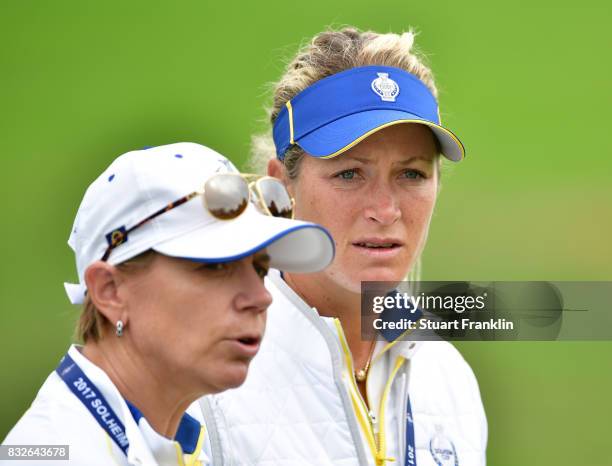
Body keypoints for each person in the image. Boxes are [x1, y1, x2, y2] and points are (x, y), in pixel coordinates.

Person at [199, 28, 488, 465]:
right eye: (350, 174)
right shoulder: (203, 382)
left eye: (411, 174)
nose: (386, 209)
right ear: (282, 185)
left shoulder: (448, 379)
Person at [0, 142, 334, 466]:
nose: (262, 298)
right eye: (215, 266)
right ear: (110, 291)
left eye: (260, 269)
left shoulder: (151, 441)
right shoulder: (59, 453)